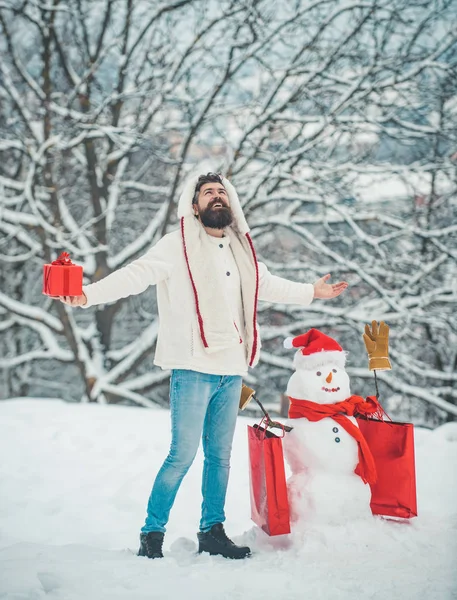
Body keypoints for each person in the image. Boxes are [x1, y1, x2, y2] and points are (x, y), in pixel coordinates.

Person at [58, 172, 348, 560]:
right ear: (194, 205)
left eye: (221, 192)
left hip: (232, 367)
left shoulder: (240, 250)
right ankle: (152, 534)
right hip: (193, 366)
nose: (216, 197)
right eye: (208, 192)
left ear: (230, 204)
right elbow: (136, 274)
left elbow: (267, 283)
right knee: (182, 455)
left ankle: (212, 530)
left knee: (220, 457)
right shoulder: (176, 244)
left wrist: (312, 291)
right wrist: (87, 295)